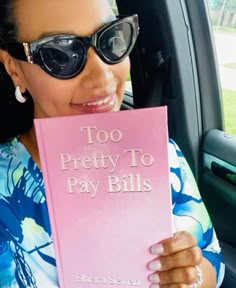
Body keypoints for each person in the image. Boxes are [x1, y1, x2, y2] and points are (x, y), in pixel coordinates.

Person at [0, 0, 225, 287]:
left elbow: (212, 262)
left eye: (111, 38)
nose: (102, 75)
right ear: (14, 69)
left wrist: (188, 276)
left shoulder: (161, 155)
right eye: (59, 53)